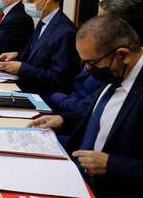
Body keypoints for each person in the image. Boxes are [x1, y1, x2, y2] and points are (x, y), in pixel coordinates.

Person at [28, 14, 143, 197]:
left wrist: (112, 164)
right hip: (74, 174)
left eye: (91, 63)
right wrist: (63, 119)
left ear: (122, 55)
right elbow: (104, 116)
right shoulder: (115, 71)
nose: (88, 70)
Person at [49, 0, 143, 114]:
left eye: (101, 21)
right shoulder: (97, 51)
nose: (95, 25)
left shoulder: (115, 65)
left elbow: (88, 108)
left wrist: (55, 96)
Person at [0, 0, 80, 97]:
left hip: (44, 97)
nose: (26, 5)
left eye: (30, 0)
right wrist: (16, 55)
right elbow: (36, 54)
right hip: (27, 87)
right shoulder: (43, 21)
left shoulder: (66, 32)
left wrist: (22, 68)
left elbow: (58, 79)